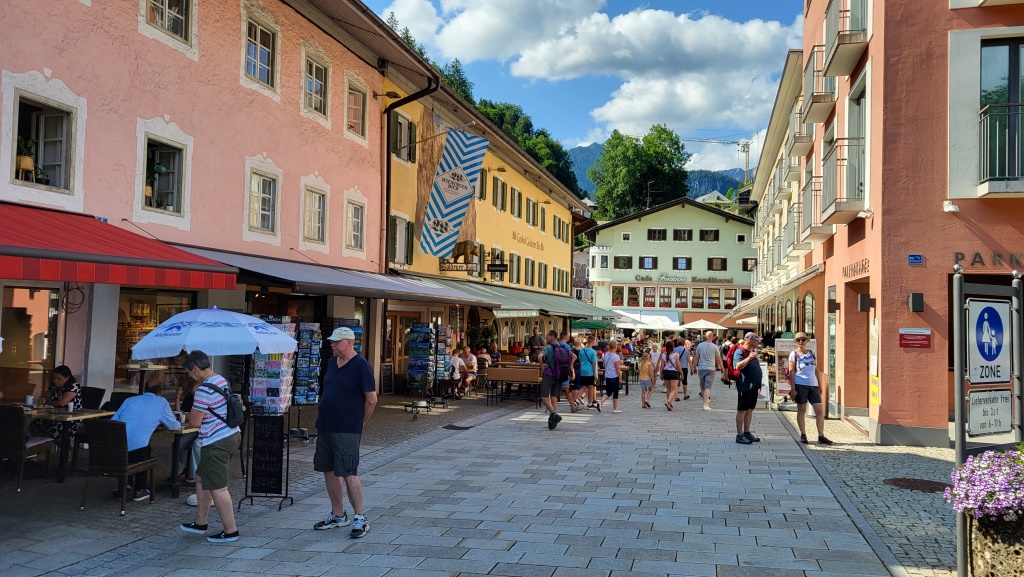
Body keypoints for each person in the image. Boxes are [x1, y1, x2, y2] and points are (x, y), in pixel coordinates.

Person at [312, 327, 377, 538]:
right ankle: (338, 514)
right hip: (326, 425)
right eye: (332, 341)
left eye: (337, 342)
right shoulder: (332, 363)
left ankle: (360, 517)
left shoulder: (360, 365)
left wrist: (360, 422)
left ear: (350, 342)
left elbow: (372, 399)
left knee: (348, 472)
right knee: (328, 469)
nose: (332, 345)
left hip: (347, 428)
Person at [178, 350, 242, 543]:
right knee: (201, 478)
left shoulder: (204, 389)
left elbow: (195, 422)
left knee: (218, 487)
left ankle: (230, 531)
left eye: (190, 372)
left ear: (196, 368)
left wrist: (183, 415)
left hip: (216, 441)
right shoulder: (220, 380)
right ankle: (201, 521)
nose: (189, 376)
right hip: (230, 435)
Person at [112, 379, 181, 501]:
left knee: (136, 442)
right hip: (136, 453)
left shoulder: (130, 400)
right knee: (144, 447)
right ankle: (140, 489)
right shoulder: (161, 402)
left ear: (144, 389)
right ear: (161, 391)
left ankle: (125, 485)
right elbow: (172, 425)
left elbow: (113, 421)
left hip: (116, 449)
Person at [789, 332, 834, 445]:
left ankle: (821, 435)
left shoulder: (811, 353)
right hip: (800, 384)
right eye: (798, 340)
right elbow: (791, 372)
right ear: (795, 342)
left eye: (803, 339)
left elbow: (815, 369)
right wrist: (793, 388)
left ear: (807, 341)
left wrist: (819, 384)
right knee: (802, 410)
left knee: (819, 411)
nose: (800, 342)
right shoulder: (793, 354)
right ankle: (803, 434)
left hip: (813, 385)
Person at [28, 365, 82, 441]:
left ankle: (64, 448)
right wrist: (44, 399)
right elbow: (46, 396)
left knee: (54, 429)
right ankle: (39, 447)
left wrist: (50, 403)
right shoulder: (54, 385)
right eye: (54, 378)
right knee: (37, 423)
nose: (55, 381)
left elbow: (62, 403)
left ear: (67, 377)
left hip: (70, 419)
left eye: (58, 379)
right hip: (54, 415)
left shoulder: (73, 386)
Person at [732, 333, 764, 445]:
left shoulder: (753, 352)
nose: (758, 342)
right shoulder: (740, 351)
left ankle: (746, 432)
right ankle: (739, 435)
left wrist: (758, 384)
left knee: (750, 409)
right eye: (757, 340)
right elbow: (737, 366)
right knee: (742, 410)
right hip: (745, 385)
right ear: (750, 340)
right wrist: (749, 358)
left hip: (754, 386)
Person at [691, 331, 724, 411]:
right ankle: (705, 404)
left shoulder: (700, 345)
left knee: (702, 386)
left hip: (701, 368)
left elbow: (696, 357)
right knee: (708, 386)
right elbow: (718, 359)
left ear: (705, 337)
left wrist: (693, 367)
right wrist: (722, 367)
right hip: (711, 368)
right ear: (712, 337)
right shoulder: (715, 347)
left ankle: (705, 401)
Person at [539, 331, 565, 429]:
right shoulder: (562, 346)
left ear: (552, 336)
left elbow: (539, 356)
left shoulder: (549, 347)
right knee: (554, 397)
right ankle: (553, 420)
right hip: (559, 375)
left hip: (549, 374)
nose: (545, 338)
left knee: (544, 397)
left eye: (547, 336)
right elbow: (573, 356)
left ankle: (553, 414)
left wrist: (542, 365)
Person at [656, 339, 682, 411]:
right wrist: (682, 373)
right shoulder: (676, 355)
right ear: (672, 347)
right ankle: (668, 401)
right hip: (674, 372)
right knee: (674, 389)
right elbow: (678, 365)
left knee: (668, 389)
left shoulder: (664, 355)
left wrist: (661, 374)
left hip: (666, 372)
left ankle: (670, 403)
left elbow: (662, 366)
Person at [597, 341, 623, 413]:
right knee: (615, 392)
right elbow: (617, 368)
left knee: (608, 391)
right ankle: (615, 408)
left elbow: (604, 365)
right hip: (614, 376)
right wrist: (620, 377)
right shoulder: (616, 356)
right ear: (615, 347)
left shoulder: (606, 355)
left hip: (607, 376)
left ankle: (600, 402)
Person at [579, 335, 599, 409]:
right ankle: (590, 403)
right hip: (590, 371)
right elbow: (594, 363)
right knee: (591, 387)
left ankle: (578, 399)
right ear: (593, 342)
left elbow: (580, 360)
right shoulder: (593, 352)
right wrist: (595, 374)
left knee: (583, 386)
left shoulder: (582, 350)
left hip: (583, 370)